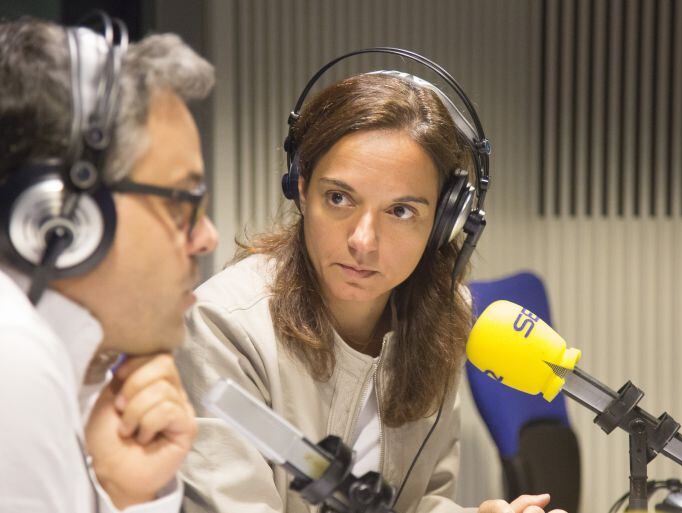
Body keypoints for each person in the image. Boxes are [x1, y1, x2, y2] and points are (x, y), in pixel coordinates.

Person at [177, 60, 566, 513]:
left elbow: (419, 501)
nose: (363, 241)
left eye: (400, 211)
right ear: (302, 191)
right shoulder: (224, 326)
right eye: (339, 198)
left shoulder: (439, 315)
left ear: (445, 222)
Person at [0, 15, 219, 513]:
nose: (207, 237)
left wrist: (122, 495)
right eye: (182, 199)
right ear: (66, 217)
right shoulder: (11, 354)